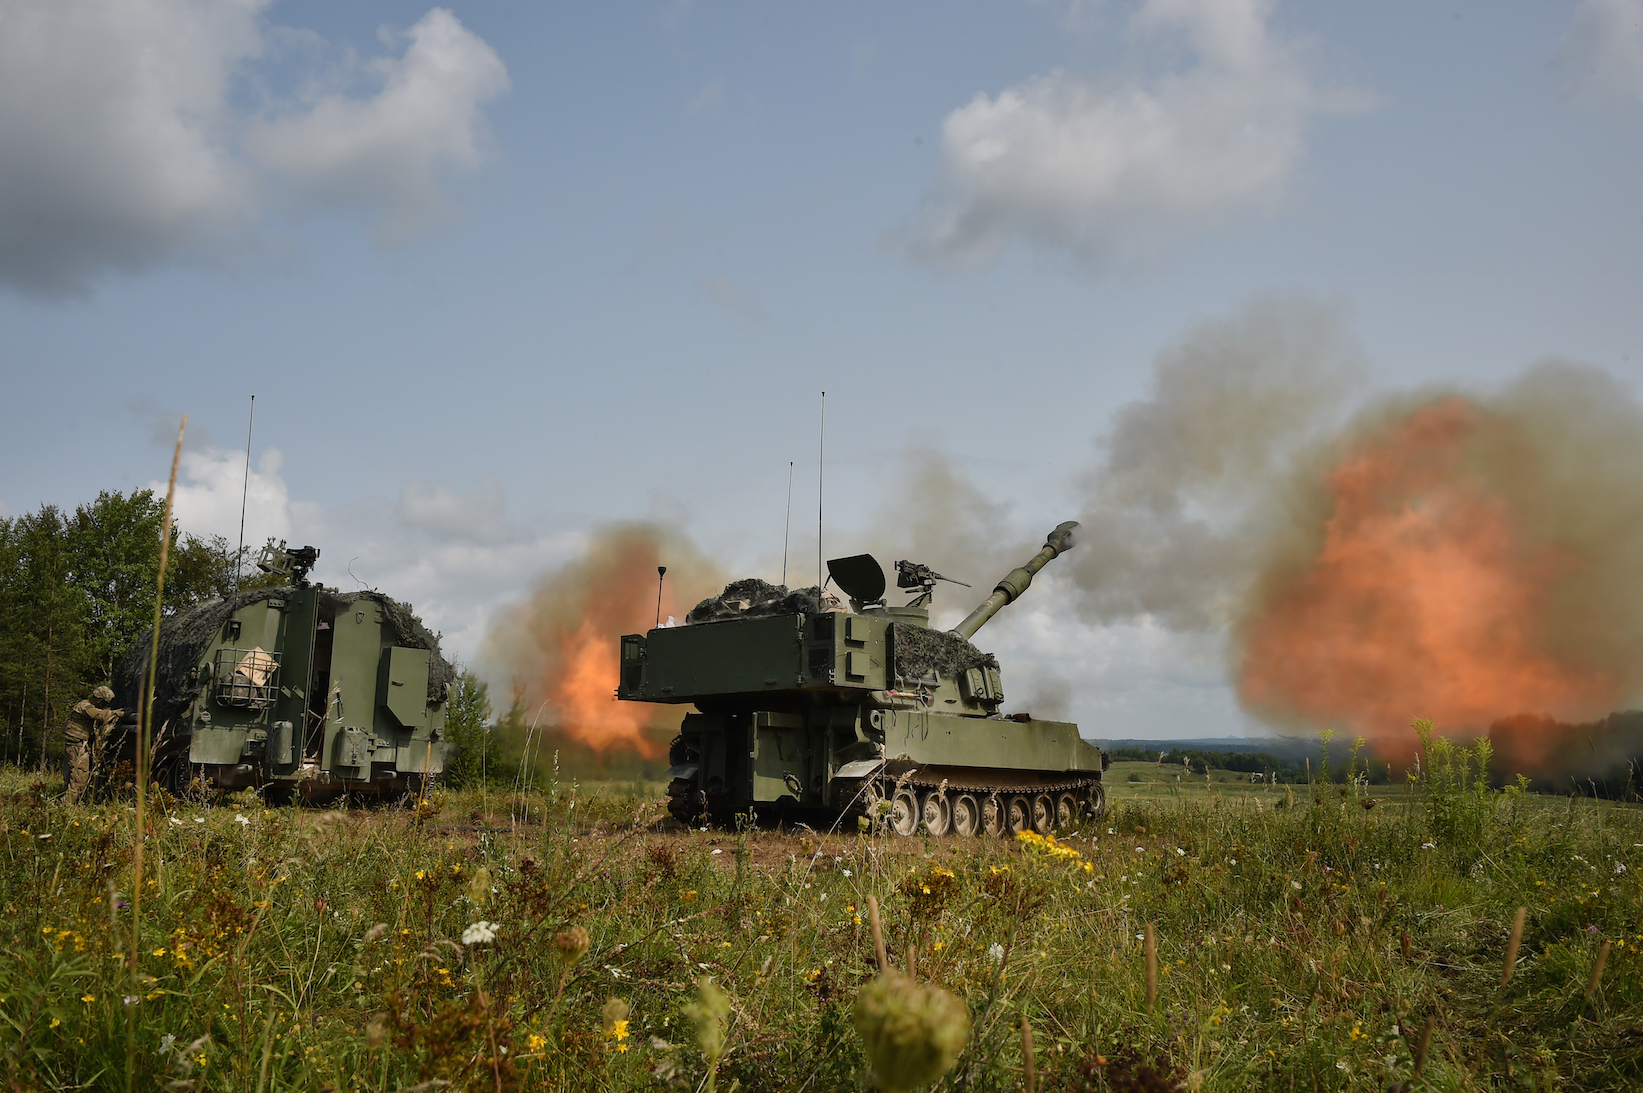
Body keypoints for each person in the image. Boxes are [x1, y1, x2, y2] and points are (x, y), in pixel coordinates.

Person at [63, 685, 123, 805]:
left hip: (76, 745)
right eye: (104, 703)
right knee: (79, 779)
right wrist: (118, 713)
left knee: (72, 778)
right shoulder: (85, 706)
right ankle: (66, 806)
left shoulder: (84, 705)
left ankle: (66, 803)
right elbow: (98, 715)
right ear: (99, 700)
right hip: (77, 746)